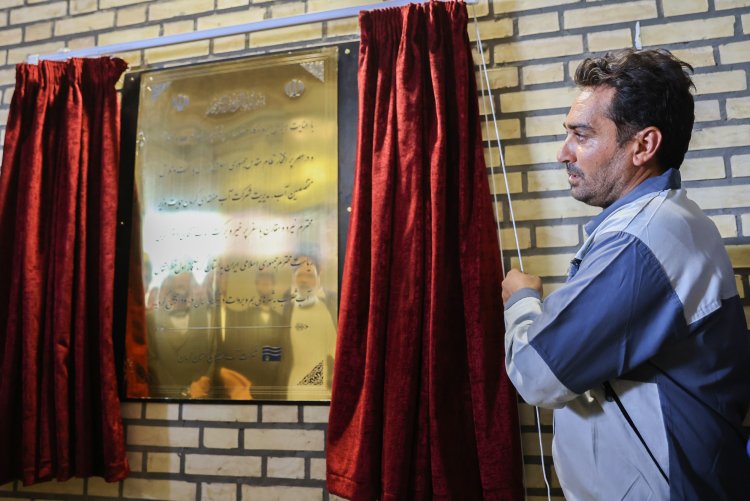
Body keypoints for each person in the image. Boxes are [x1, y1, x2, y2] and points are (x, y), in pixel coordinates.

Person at [500, 49, 750, 500]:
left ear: (643, 146)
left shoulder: (641, 240)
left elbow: (536, 373)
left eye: (582, 135)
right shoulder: (666, 222)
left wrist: (522, 300)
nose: (563, 153)